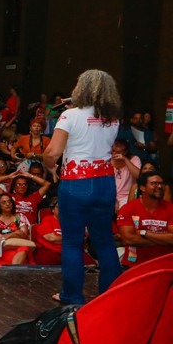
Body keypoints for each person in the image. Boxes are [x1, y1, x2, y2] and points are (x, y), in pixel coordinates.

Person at [43, 69, 122, 305]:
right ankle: (110, 294)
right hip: (105, 182)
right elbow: (93, 120)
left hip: (77, 183)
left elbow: (53, 152)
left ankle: (72, 295)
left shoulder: (69, 116)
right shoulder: (114, 117)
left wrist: (50, 166)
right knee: (105, 240)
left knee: (72, 241)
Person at [116, 171, 173, 268]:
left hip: (165, 265)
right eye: (154, 183)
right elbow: (128, 239)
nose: (159, 186)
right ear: (142, 188)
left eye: (161, 183)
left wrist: (145, 233)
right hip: (133, 265)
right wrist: (164, 240)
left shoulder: (170, 208)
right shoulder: (128, 209)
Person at [0, 193, 35, 265]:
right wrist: (14, 233)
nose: (7, 204)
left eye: (9, 201)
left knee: (24, 249)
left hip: (18, 247)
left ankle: (12, 272)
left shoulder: (20, 217)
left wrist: (6, 236)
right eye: (4, 202)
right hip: (0, 251)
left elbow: (23, 234)